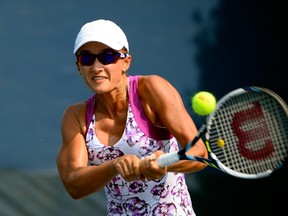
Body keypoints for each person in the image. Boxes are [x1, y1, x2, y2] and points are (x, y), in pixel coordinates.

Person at [57, 19, 208, 216]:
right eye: (86, 58)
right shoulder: (75, 116)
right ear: (78, 66)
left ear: (126, 61)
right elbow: (73, 183)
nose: (96, 67)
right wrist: (115, 165)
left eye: (107, 56)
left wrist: (165, 163)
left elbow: (199, 153)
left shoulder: (152, 89)